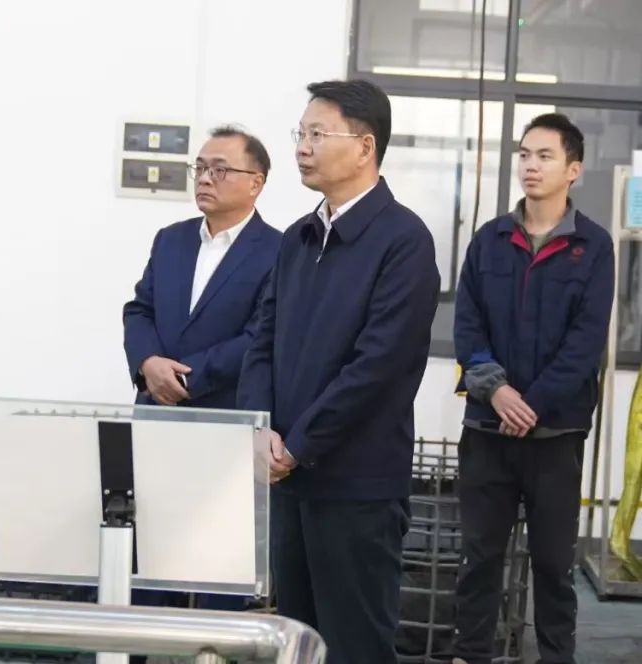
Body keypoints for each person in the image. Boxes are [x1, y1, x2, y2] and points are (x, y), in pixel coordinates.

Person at [237, 79, 440, 664]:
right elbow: (262, 340)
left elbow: (378, 367)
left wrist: (298, 445)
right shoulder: (298, 239)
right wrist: (259, 429)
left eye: (317, 134)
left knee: (354, 646)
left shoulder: (404, 241)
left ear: (365, 146)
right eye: (300, 133)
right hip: (290, 482)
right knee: (297, 641)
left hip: (357, 487)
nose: (302, 147)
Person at [451, 113, 613, 664]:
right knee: (478, 559)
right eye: (524, 154)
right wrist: (497, 392)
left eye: (544, 156)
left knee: (552, 565)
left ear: (573, 169)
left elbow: (584, 343)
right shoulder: (489, 240)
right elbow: (467, 327)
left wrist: (532, 405)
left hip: (555, 436)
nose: (530, 165)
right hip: (487, 430)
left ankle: (555, 656)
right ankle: (470, 654)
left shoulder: (593, 247)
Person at [122, 124, 282, 611]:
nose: (206, 178)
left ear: (255, 182)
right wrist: (148, 363)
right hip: (158, 419)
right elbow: (139, 310)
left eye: (220, 169)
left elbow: (261, 335)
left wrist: (182, 378)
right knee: (151, 556)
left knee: (220, 564)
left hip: (226, 422)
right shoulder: (171, 240)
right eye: (201, 167)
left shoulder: (279, 251)